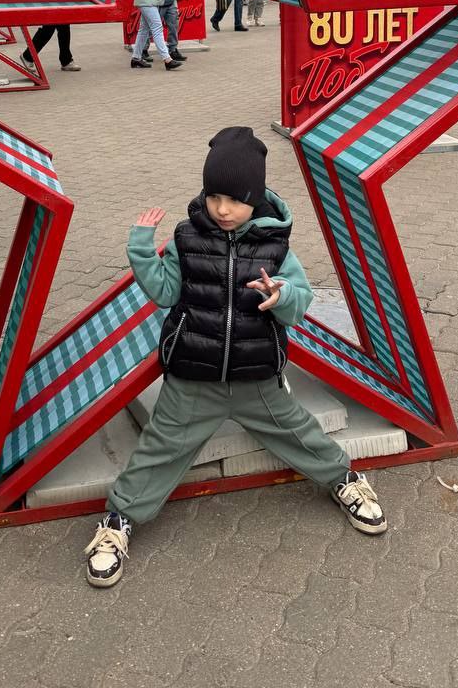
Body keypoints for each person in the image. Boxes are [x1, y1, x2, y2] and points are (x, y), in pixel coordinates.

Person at [83, 126, 386, 588]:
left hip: (255, 377)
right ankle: (119, 522)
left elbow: (300, 301)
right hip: (193, 377)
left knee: (298, 432)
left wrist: (279, 295)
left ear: (257, 197)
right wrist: (141, 250)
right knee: (159, 450)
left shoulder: (276, 245)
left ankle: (345, 481)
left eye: (235, 199)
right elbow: (165, 292)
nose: (223, 209)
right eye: (214, 196)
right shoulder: (188, 238)